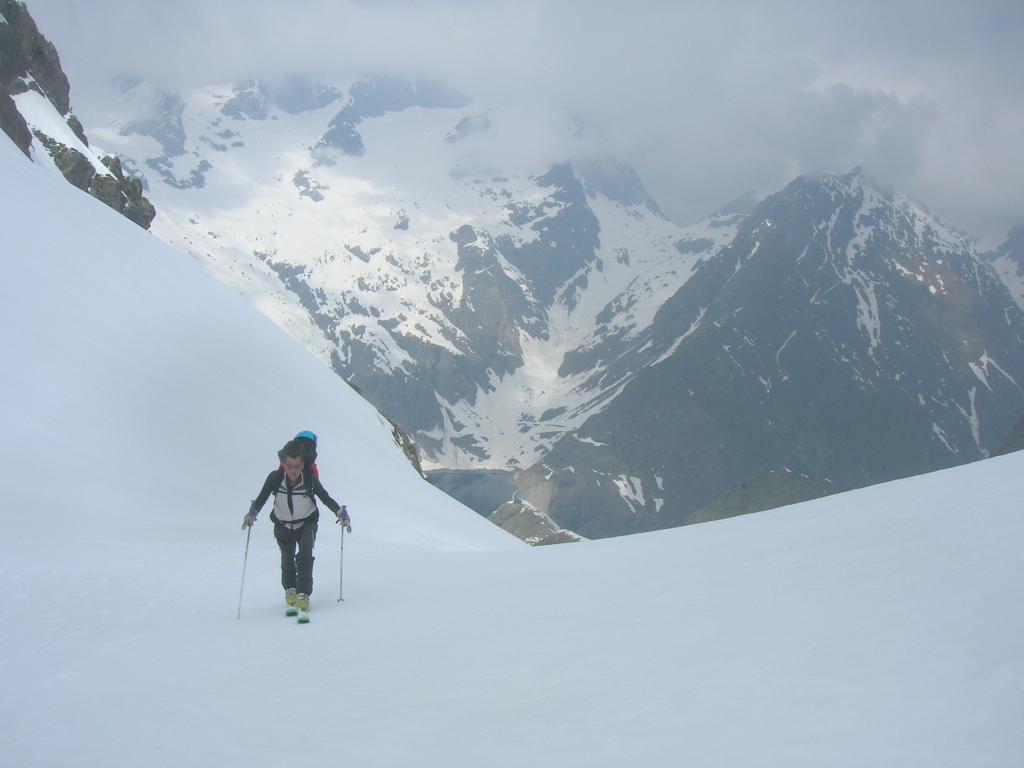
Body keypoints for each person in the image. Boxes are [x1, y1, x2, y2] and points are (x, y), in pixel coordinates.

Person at [243, 436, 350, 615]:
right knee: (287, 557)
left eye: (296, 466)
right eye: (289, 466)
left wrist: (340, 512)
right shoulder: (275, 478)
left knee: (305, 555)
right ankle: (290, 589)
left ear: (302, 466)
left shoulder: (309, 479)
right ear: (284, 464)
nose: (292, 470)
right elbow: (261, 498)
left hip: (306, 522)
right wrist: (252, 514)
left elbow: (325, 497)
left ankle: (303, 593)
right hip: (282, 524)